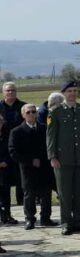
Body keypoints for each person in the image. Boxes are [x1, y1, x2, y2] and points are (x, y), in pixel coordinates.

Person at [47, 80, 80, 235]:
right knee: (65, 193)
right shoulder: (55, 111)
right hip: (63, 159)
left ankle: (79, 221)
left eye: (75, 91)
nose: (73, 94)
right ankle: (66, 222)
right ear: (63, 93)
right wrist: (52, 156)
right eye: (69, 91)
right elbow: (51, 136)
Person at [9, 103, 55, 230]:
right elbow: (13, 151)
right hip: (28, 169)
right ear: (23, 115)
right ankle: (29, 219)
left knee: (46, 193)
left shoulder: (44, 128)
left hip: (44, 167)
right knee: (29, 195)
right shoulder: (16, 131)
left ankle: (46, 218)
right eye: (28, 112)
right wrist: (30, 161)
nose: (31, 114)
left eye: (33, 111)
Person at [0, 81, 28, 224]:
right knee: (3, 186)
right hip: (2, 149)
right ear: (3, 92)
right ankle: (5, 214)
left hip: (19, 149)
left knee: (23, 183)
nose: (10, 92)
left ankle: (28, 214)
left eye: (13, 90)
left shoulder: (23, 107)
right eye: (8, 90)